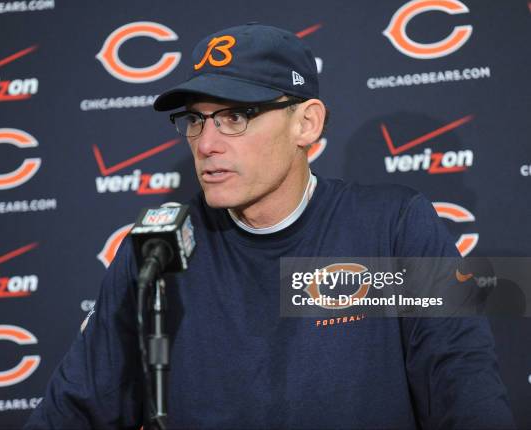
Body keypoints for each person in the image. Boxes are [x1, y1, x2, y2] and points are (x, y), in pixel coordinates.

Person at [26, 23, 515, 429]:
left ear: (306, 123)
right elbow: (73, 410)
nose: (207, 143)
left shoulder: (394, 224)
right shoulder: (155, 252)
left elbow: (463, 389)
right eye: (195, 120)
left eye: (236, 116)